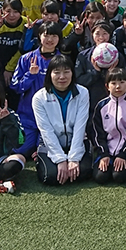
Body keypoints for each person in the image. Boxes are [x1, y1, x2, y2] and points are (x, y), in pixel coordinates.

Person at [32, 54, 93, 185]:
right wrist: (60, 159)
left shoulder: (83, 92)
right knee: (50, 177)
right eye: (57, 72)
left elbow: (80, 126)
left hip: (75, 142)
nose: (62, 77)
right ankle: (40, 158)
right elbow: (46, 130)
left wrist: (74, 158)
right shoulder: (39, 98)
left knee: (84, 172)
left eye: (66, 72)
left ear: (72, 73)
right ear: (49, 74)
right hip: (50, 144)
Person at [10, 21, 62, 159]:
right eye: (46, 35)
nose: (50, 40)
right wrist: (30, 75)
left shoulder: (62, 61)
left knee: (47, 152)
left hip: (53, 117)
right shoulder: (26, 59)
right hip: (28, 116)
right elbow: (16, 87)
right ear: (39, 36)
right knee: (20, 150)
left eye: (54, 36)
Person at [91, 68, 126, 184]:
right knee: (100, 177)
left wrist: (123, 154)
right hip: (106, 150)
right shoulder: (101, 106)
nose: (118, 87)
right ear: (107, 86)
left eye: (122, 82)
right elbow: (97, 133)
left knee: (119, 176)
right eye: (113, 83)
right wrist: (104, 154)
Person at [75, 21, 126, 112]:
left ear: (110, 35)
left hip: (113, 104)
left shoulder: (117, 56)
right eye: (97, 34)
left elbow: (124, 81)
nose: (101, 37)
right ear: (92, 34)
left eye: (105, 34)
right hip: (89, 103)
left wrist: (111, 74)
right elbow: (79, 81)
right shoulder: (83, 56)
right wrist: (95, 72)